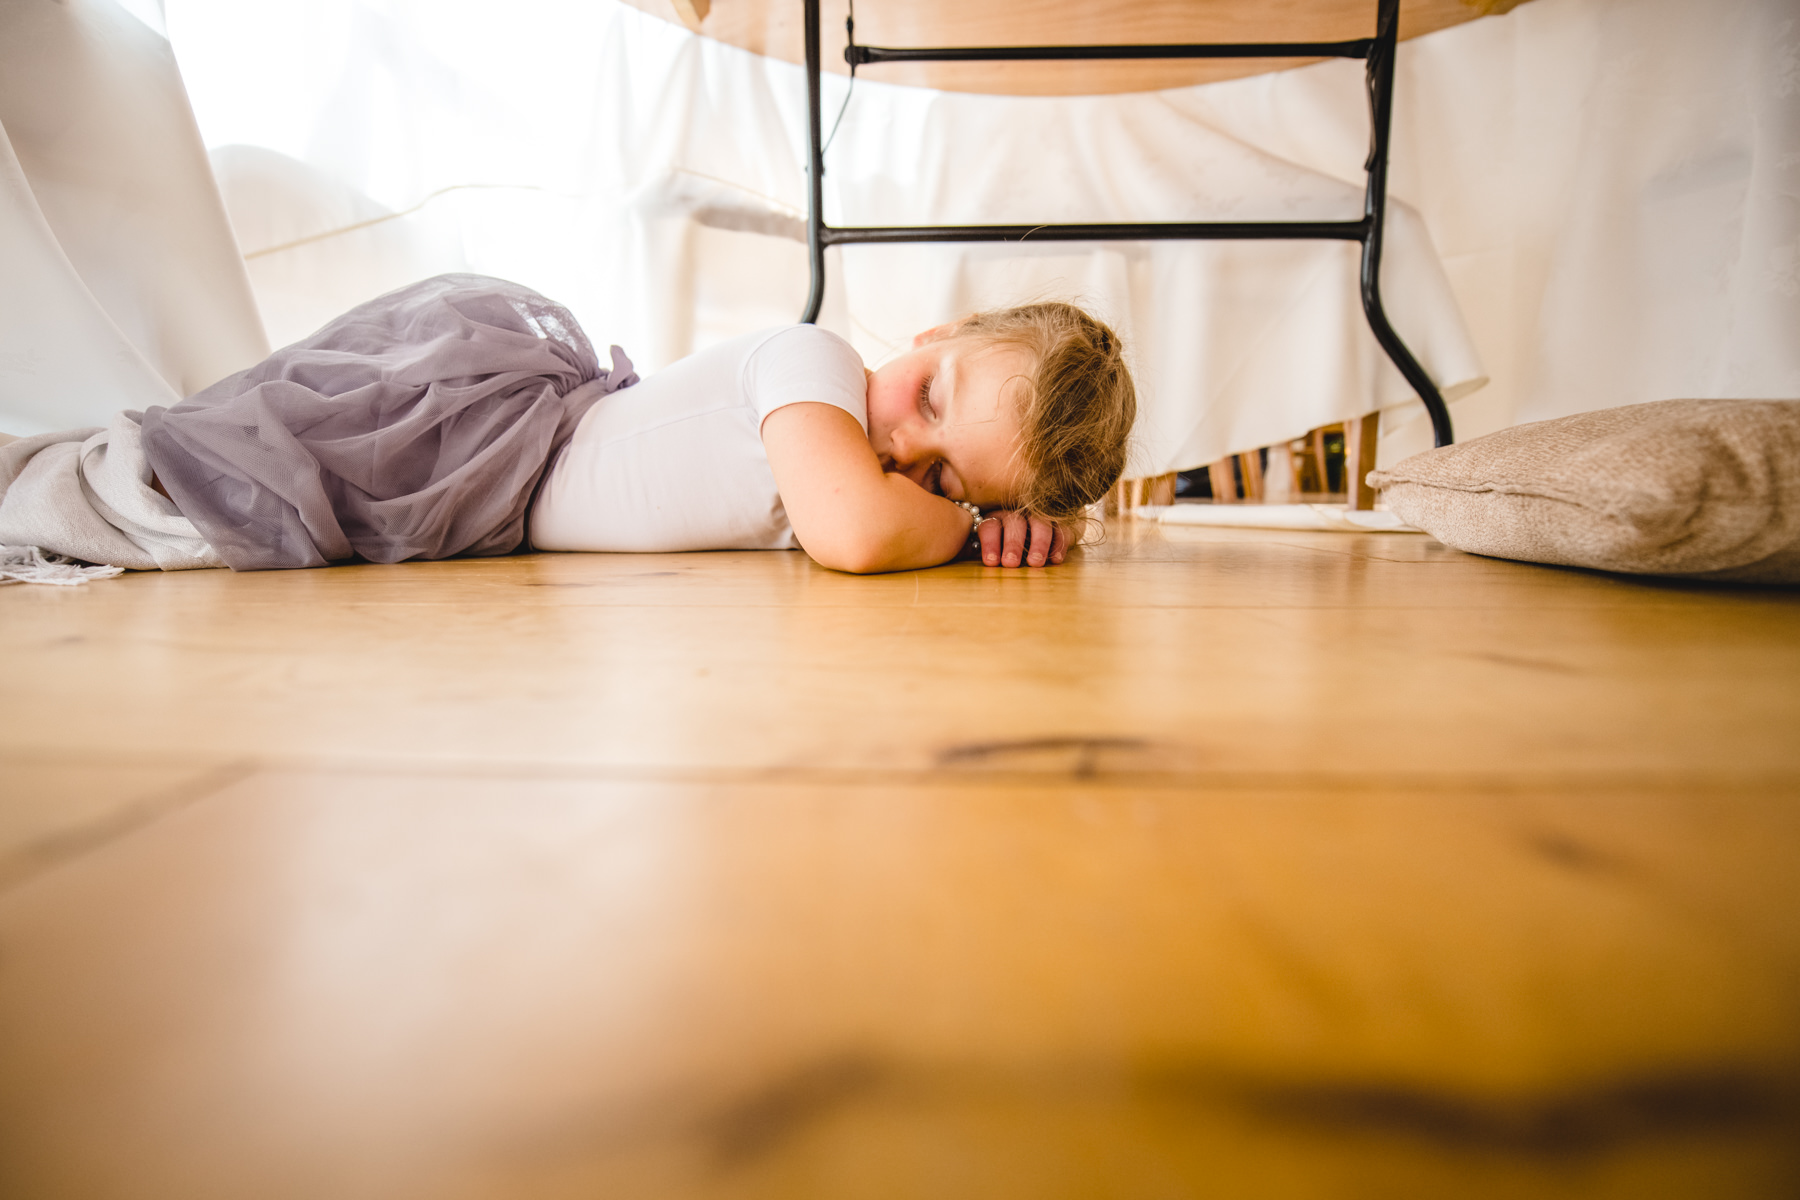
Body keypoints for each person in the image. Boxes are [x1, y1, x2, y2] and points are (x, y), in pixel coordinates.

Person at [0, 276, 1136, 576]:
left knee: (244, 518)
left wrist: (1028, 526)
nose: (901, 455)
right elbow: (851, 534)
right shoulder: (818, 362)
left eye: (949, 481)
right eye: (929, 402)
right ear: (932, 335)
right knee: (201, 500)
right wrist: (969, 532)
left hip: (492, 506)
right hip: (482, 447)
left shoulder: (871, 441)